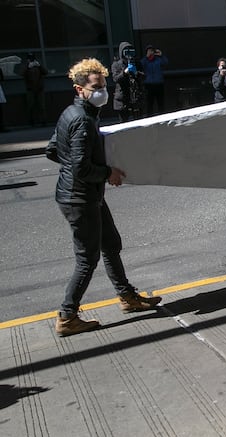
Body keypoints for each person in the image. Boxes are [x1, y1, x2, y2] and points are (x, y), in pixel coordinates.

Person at [45, 58, 161, 337]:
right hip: (80, 198)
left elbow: (52, 150)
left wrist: (76, 167)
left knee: (111, 243)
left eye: (104, 85)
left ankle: (127, 297)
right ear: (79, 88)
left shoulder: (71, 114)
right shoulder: (83, 121)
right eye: (96, 87)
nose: (103, 91)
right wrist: (108, 172)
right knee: (87, 259)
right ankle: (67, 316)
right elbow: (82, 168)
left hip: (85, 194)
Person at [112, 42, 143, 122]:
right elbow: (115, 79)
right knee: (123, 122)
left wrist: (136, 73)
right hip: (123, 99)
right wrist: (124, 72)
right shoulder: (116, 65)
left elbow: (144, 75)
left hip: (135, 96)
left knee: (139, 122)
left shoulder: (137, 63)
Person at [140, 44, 168, 115]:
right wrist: (146, 57)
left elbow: (165, 62)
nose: (151, 52)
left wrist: (161, 55)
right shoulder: (145, 61)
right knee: (150, 103)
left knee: (160, 103)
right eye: (149, 51)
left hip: (159, 84)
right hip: (149, 85)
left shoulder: (158, 59)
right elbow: (140, 65)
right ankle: (149, 117)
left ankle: (162, 117)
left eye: (152, 51)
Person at [21, 52, 48, 126]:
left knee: (41, 106)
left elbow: (45, 72)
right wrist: (27, 66)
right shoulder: (27, 66)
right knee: (30, 106)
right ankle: (31, 121)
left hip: (39, 89)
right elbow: (22, 73)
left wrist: (39, 66)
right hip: (30, 89)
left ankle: (43, 121)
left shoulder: (37, 66)